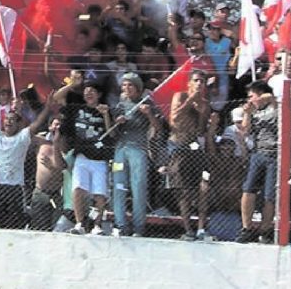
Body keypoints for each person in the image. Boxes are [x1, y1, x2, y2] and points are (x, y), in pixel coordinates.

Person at [0, 97, 56, 229]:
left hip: (15, 187)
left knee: (15, 222)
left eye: (12, 120)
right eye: (7, 119)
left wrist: (47, 107)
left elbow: (36, 124)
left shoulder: (22, 137)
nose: (8, 121)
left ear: (18, 124)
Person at [111, 72, 158, 237]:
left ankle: (139, 226)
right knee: (118, 186)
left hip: (138, 149)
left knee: (138, 187)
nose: (126, 88)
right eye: (124, 85)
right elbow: (112, 132)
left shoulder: (147, 103)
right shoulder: (120, 106)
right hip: (120, 149)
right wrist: (117, 122)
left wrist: (149, 114)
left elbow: (157, 127)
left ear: (138, 87)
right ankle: (120, 224)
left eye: (130, 85)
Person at [167, 70, 212, 240]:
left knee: (204, 186)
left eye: (202, 81)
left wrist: (203, 113)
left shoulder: (205, 104)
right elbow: (175, 120)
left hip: (195, 147)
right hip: (179, 147)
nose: (199, 84)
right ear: (190, 83)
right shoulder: (180, 96)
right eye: (196, 80)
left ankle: (201, 228)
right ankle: (187, 230)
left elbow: (200, 129)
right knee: (183, 190)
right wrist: (190, 101)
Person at [63, 84, 114, 235]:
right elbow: (57, 98)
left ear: (99, 94)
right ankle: (80, 224)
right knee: (78, 189)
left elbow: (111, 134)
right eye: (86, 92)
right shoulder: (77, 109)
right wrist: (72, 84)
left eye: (92, 91)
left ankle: (97, 225)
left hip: (99, 159)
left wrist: (105, 115)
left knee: (99, 194)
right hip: (82, 157)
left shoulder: (106, 110)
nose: (89, 94)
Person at [236, 81, 278, 244]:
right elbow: (245, 131)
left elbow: (276, 103)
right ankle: (246, 228)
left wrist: (266, 97)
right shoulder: (254, 111)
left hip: (275, 154)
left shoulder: (274, 106)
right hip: (258, 152)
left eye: (251, 95)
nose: (249, 99)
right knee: (248, 190)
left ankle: (265, 230)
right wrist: (247, 113)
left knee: (269, 196)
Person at [30, 114, 68, 231]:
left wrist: (56, 144)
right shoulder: (40, 141)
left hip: (56, 194)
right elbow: (24, 134)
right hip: (41, 192)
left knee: (56, 228)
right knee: (39, 227)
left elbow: (61, 166)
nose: (58, 127)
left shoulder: (65, 144)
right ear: (50, 126)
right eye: (55, 124)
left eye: (60, 125)